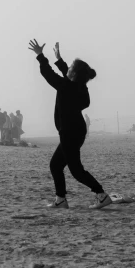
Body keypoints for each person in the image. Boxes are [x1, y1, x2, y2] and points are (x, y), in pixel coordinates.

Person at [29, 40, 111, 210]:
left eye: (71, 68)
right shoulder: (80, 87)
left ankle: (101, 195)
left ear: (74, 73)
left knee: (76, 170)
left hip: (69, 133)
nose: (68, 70)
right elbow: (68, 74)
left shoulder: (67, 86)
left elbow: (48, 74)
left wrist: (40, 56)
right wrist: (59, 59)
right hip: (76, 131)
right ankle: (61, 199)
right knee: (56, 165)